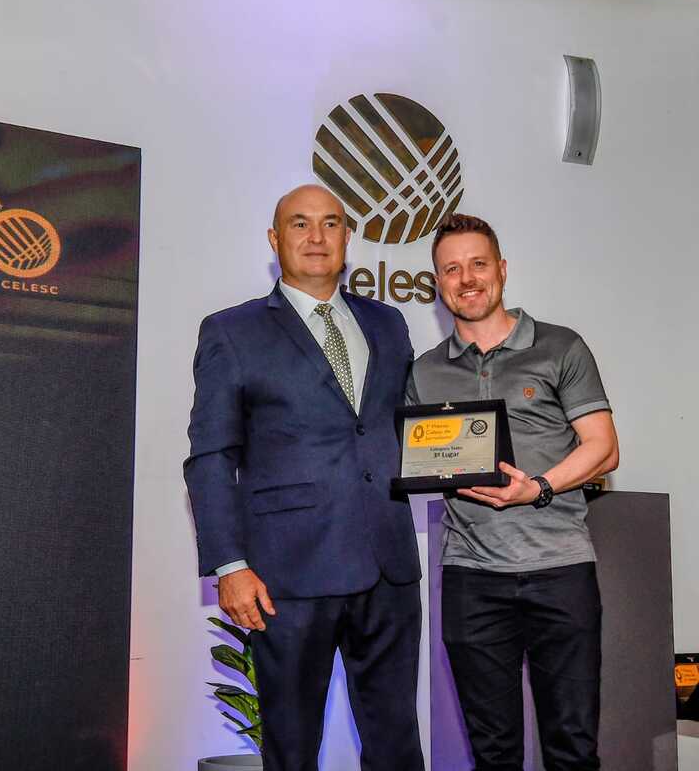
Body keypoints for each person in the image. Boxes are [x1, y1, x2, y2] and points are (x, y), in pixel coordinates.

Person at [184, 184, 424, 771]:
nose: (317, 237)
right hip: (286, 576)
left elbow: (405, 427)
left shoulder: (388, 323)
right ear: (275, 239)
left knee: (397, 746)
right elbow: (210, 456)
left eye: (331, 223)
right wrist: (230, 566)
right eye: (300, 224)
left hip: (388, 568)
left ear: (347, 237)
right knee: (291, 751)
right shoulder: (232, 331)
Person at [407, 213, 619, 771]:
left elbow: (604, 447)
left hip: (561, 570)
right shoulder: (424, 373)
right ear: (437, 282)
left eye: (478, 264)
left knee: (572, 749)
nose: (467, 279)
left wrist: (538, 488)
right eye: (452, 269)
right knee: (492, 753)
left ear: (501, 269)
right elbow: (415, 458)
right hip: (472, 579)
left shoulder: (561, 347)